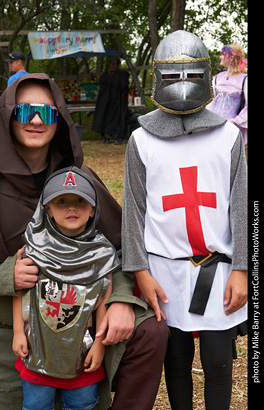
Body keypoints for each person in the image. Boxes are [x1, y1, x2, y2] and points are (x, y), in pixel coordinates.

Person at [0, 73, 169, 410]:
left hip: (81, 328)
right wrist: (3, 276)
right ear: (7, 116)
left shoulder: (77, 180)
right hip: (9, 336)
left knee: (151, 332)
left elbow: (122, 246)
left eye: (47, 113)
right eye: (24, 112)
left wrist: (121, 298)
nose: (36, 120)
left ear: (59, 120)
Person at [122, 31, 247, 410]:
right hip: (164, 272)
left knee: (217, 362)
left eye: (190, 75)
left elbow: (242, 207)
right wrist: (140, 271)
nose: (182, 85)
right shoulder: (141, 140)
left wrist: (242, 267)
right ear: (159, 78)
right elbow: (133, 211)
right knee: (175, 362)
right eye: (173, 76)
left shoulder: (227, 135)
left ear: (205, 76)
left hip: (220, 271)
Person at [13, 166, 120, 410]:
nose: (72, 208)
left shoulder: (102, 253)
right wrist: (19, 332)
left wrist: (100, 345)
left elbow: (104, 300)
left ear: (93, 208)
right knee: (36, 405)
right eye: (61, 201)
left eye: (80, 201)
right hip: (37, 349)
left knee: (81, 405)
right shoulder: (34, 248)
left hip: (82, 354)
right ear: (47, 209)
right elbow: (22, 292)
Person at [207, 44, 248, 147]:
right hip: (213, 126)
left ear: (231, 58)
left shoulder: (244, 80)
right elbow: (210, 102)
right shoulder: (218, 78)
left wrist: (235, 121)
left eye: (222, 54)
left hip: (230, 129)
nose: (220, 57)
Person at [92, 58, 129, 144]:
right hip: (118, 103)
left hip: (106, 103)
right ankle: (117, 137)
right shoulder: (122, 75)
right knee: (118, 119)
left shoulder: (105, 76)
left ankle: (107, 137)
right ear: (119, 65)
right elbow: (124, 88)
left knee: (107, 119)